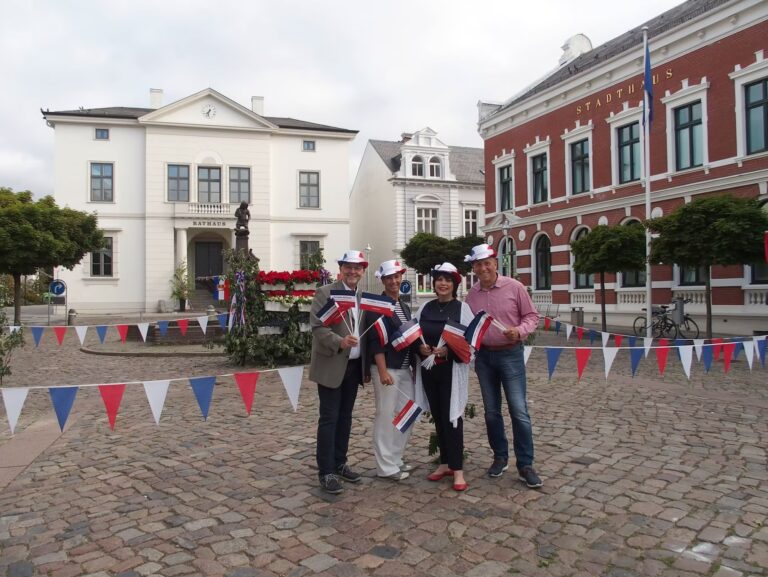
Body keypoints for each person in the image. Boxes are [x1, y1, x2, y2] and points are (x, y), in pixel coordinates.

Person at [464, 243, 542, 488]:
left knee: (519, 411)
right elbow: (468, 327)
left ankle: (525, 464)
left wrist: (519, 332)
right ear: (474, 268)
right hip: (484, 358)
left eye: (487, 262)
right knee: (491, 412)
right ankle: (500, 457)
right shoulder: (472, 295)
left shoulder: (514, 287)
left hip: (511, 354)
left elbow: (532, 316)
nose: (483, 267)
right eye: (478, 264)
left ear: (495, 263)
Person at [309, 250, 369, 494]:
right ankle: (326, 471)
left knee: (346, 418)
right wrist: (339, 342)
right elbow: (317, 326)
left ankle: (340, 462)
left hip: (354, 367)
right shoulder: (326, 293)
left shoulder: (363, 297)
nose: (353, 271)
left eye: (357, 268)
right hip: (332, 364)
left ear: (363, 271)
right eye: (348, 267)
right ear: (341, 269)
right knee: (329, 418)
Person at [413, 263, 474, 491]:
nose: (442, 283)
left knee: (453, 418)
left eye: (447, 280)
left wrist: (449, 350)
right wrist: (421, 350)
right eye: (439, 279)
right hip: (430, 370)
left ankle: (458, 470)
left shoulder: (462, 309)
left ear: (454, 284)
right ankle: (445, 463)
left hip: (451, 371)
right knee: (438, 417)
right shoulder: (425, 308)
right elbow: (415, 336)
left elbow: (471, 342)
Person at [363, 260, 416, 481]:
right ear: (382, 281)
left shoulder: (403, 306)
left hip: (404, 368)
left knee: (409, 412)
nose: (394, 281)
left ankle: (395, 457)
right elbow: (376, 341)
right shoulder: (378, 307)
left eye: (397, 276)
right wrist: (383, 371)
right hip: (387, 368)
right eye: (389, 278)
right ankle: (385, 466)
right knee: (385, 415)